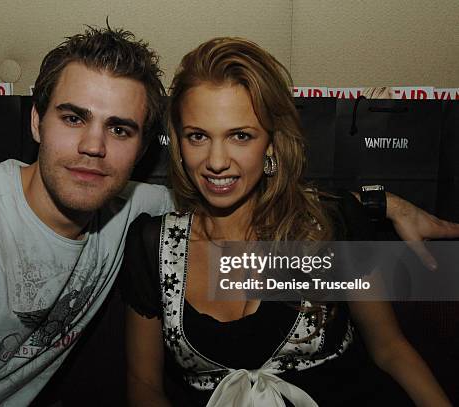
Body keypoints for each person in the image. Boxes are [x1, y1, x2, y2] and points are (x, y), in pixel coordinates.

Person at [0, 27, 456, 406]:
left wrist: (383, 203)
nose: (93, 147)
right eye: (72, 117)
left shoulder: (134, 212)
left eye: (119, 128)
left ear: (142, 148)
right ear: (34, 121)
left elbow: (266, 198)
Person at [121, 37, 452, 406]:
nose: (216, 161)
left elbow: (390, 348)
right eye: (198, 136)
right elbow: (143, 385)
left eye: (240, 136)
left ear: (272, 143)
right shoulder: (152, 244)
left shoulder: (330, 225)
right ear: (179, 144)